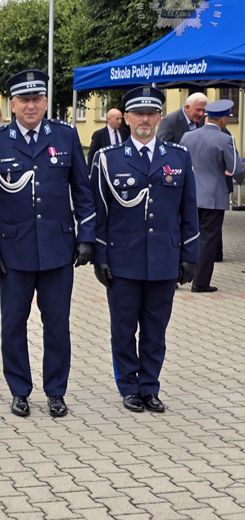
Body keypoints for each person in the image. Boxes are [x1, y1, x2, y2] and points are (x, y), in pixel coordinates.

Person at [0, 69, 95, 419]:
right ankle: (19, 390)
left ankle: (56, 391)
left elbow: (83, 192)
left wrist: (87, 237)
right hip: (13, 250)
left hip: (58, 248)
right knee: (13, 324)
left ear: (45, 102)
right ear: (12, 105)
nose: (31, 106)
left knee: (57, 324)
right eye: (24, 100)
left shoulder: (65, 136)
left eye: (37, 99)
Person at [92, 86, 199, 413]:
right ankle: (129, 386)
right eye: (138, 113)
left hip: (164, 258)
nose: (145, 120)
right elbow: (99, 213)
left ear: (159, 117)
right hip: (123, 259)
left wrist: (190, 254)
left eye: (151, 114)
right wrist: (100, 255)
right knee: (124, 329)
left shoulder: (178, 157)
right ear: (126, 118)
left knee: (155, 330)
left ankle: (150, 386)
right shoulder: (108, 159)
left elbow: (189, 210)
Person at [180, 99, 245, 293]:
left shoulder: (187, 136)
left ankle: (176, 277)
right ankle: (200, 283)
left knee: (185, 235)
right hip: (213, 197)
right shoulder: (225, 139)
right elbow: (236, 169)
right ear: (223, 119)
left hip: (189, 195)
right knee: (208, 240)